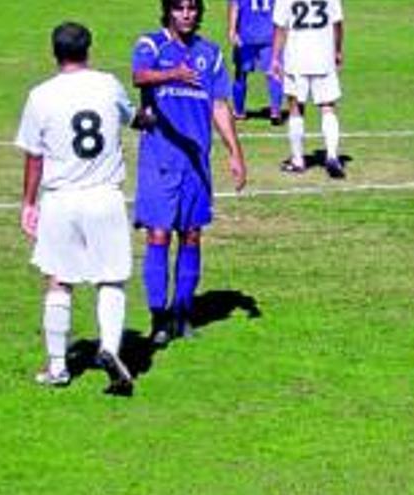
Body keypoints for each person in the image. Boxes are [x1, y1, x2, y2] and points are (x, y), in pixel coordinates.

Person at [15, 21, 135, 395]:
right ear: (89, 50)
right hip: (104, 195)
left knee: (58, 280)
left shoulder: (41, 95)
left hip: (62, 199)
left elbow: (34, 156)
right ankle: (110, 349)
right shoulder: (108, 84)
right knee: (110, 278)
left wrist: (29, 202)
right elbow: (131, 118)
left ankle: (56, 367)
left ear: (55, 52)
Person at [132, 0, 247, 346]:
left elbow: (218, 105)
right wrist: (172, 74)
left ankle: (182, 314)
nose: (187, 14)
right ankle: (159, 318)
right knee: (158, 236)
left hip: (196, 163)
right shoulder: (151, 45)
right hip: (160, 160)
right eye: (180, 7)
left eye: (193, 8)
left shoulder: (209, 54)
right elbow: (139, 76)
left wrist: (235, 153)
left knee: (192, 234)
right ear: (168, 11)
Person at [269, 0, 345, 178]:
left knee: (296, 109)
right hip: (323, 57)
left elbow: (280, 27)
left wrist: (274, 58)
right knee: (328, 107)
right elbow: (338, 23)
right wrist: (338, 50)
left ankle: (297, 160)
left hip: (296, 59)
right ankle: (332, 155)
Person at [228, 0, 283, 124]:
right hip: (269, 35)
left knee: (240, 75)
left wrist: (232, 30)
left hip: (246, 35)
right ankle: (275, 111)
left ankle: (238, 111)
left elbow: (235, 6)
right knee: (274, 72)